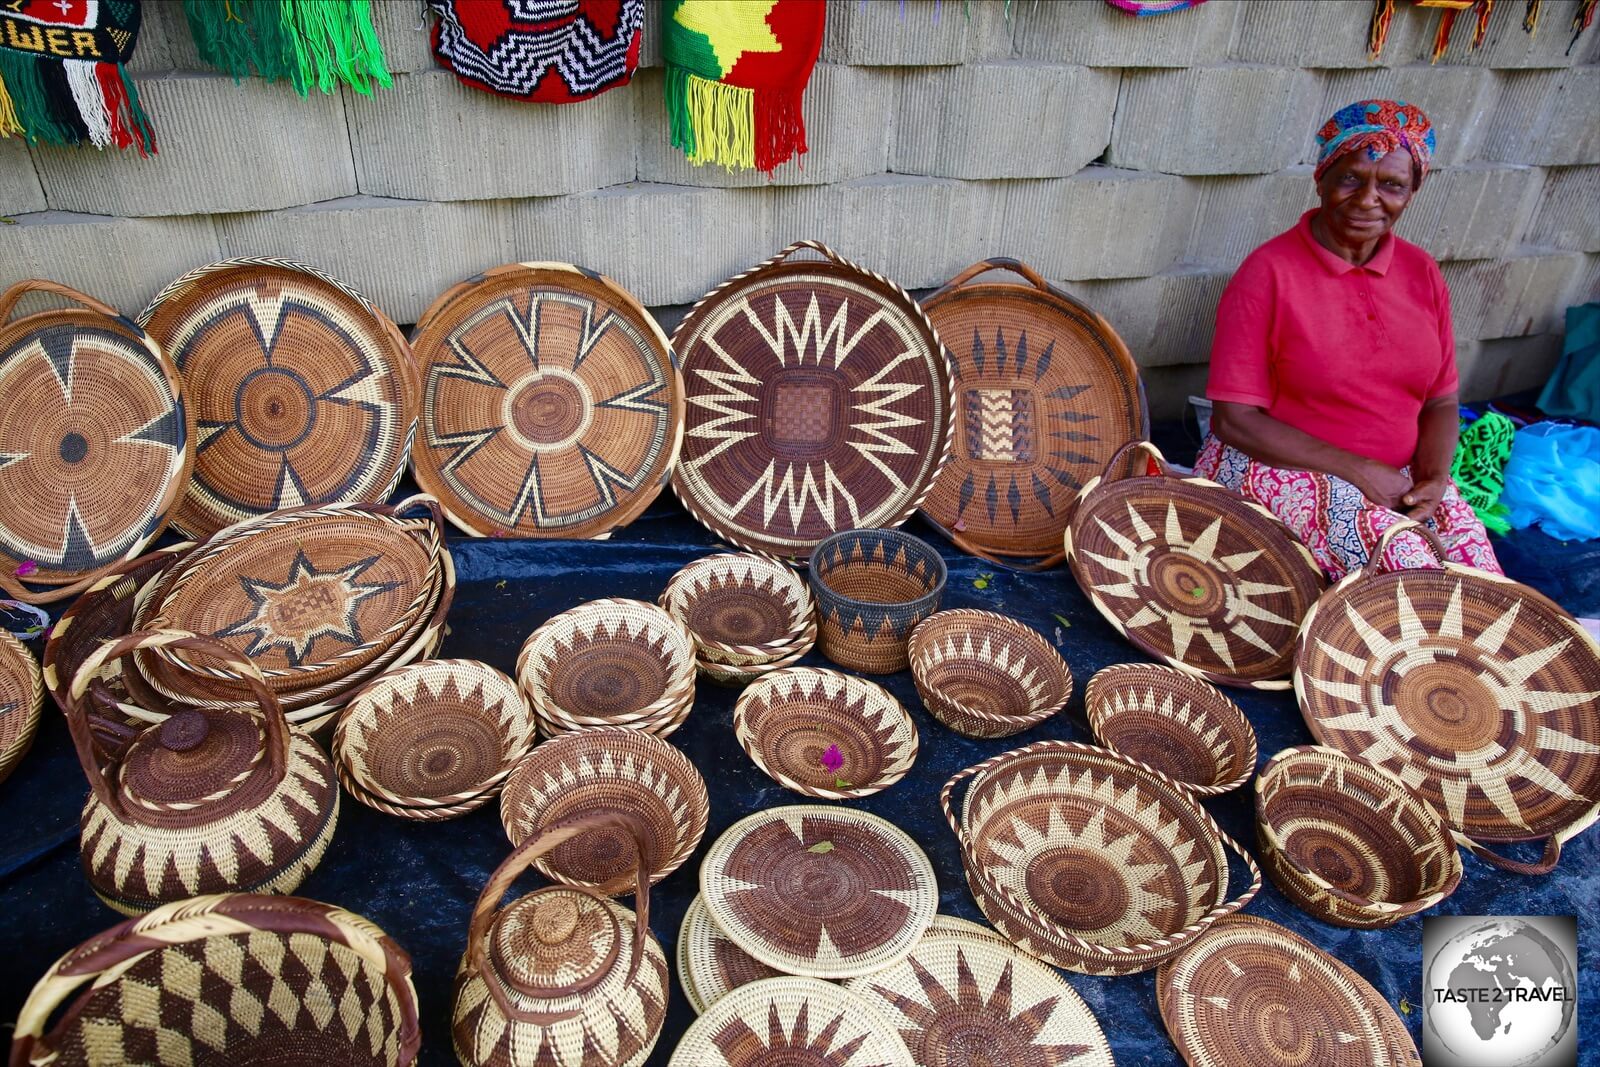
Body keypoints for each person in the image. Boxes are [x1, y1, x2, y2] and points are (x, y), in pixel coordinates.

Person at [1193, 99, 1502, 581]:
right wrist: (1358, 471)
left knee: (1488, 586)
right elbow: (1235, 421)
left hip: (1396, 478)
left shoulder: (1421, 272)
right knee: (1417, 583)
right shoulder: (1269, 273)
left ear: (1413, 191)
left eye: (1392, 186)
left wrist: (1435, 479)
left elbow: (1441, 400)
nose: (1366, 200)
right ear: (1322, 179)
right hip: (1277, 469)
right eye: (1351, 179)